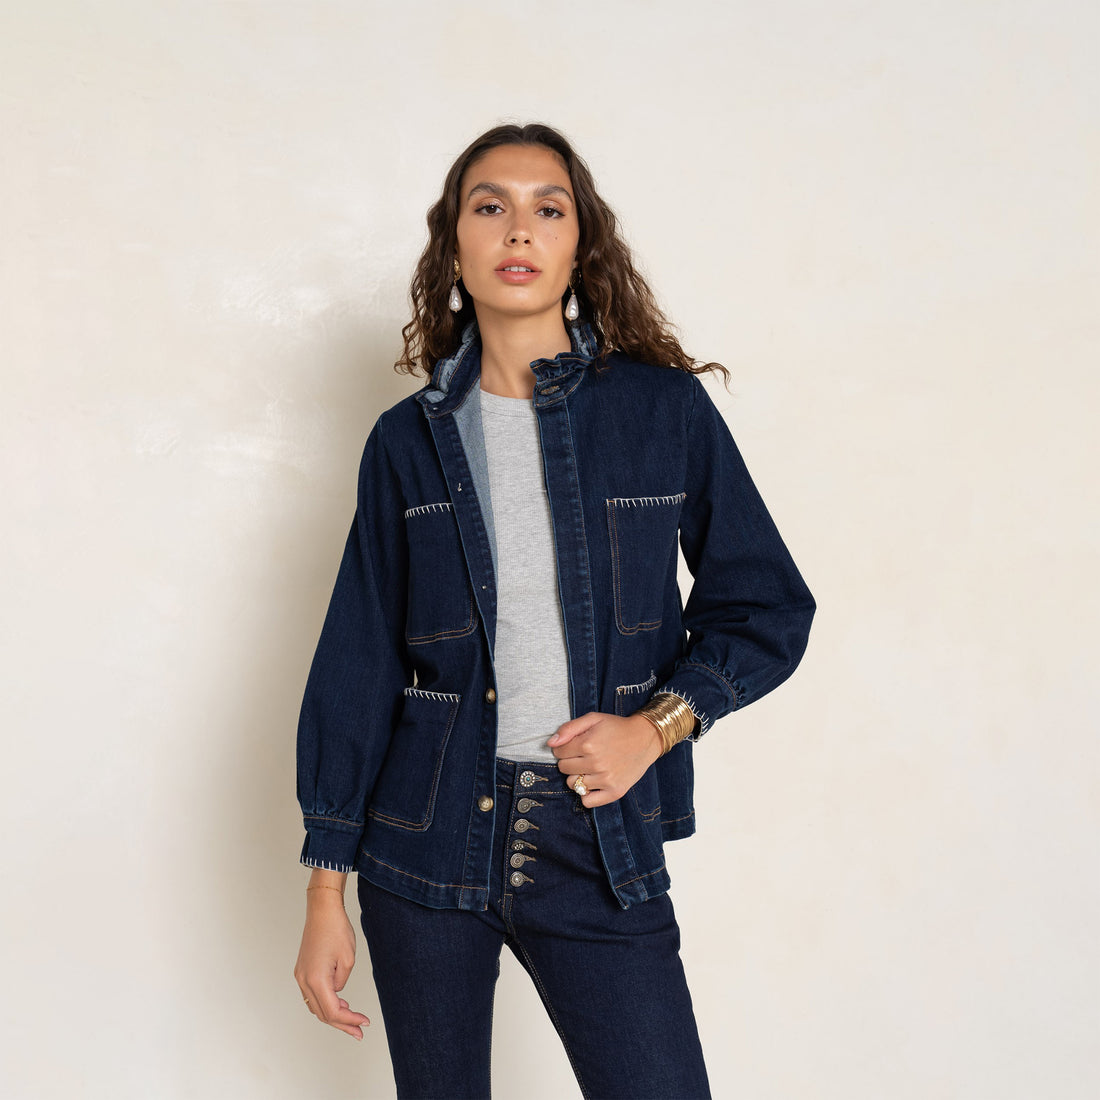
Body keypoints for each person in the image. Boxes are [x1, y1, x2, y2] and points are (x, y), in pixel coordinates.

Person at [293, 122, 815, 1100]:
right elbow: (358, 659)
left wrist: (654, 728)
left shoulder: (661, 413)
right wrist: (326, 886)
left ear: (581, 246)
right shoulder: (406, 441)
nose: (518, 228)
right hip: (424, 840)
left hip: (595, 838)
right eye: (489, 205)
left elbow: (765, 606)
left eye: (549, 207)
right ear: (454, 245)